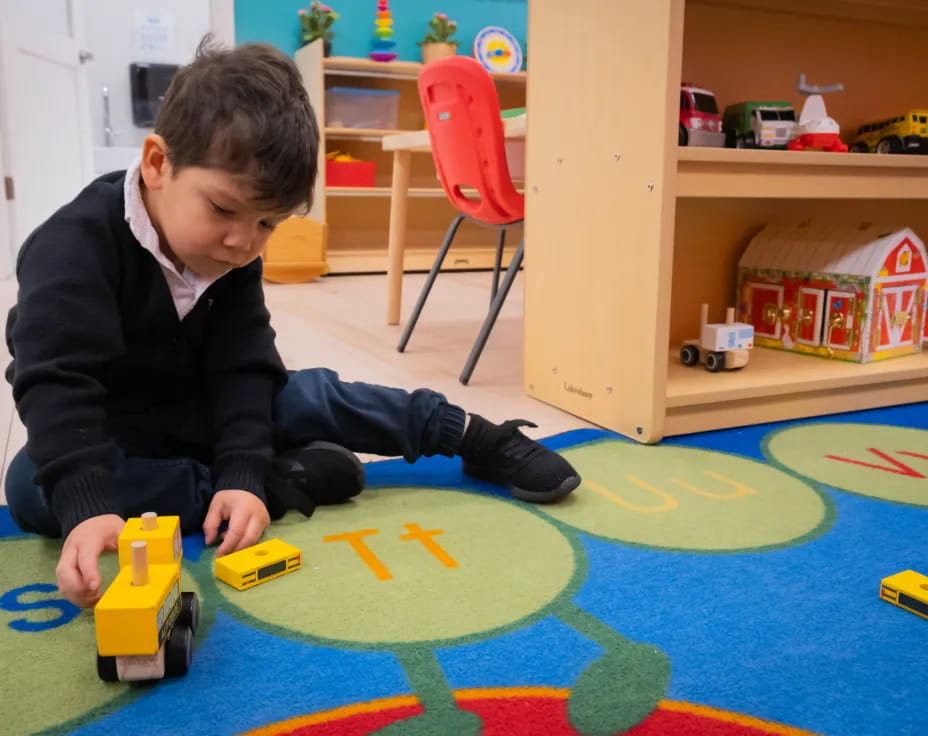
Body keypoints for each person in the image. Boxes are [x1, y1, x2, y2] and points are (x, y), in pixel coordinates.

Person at [3, 39, 581, 609]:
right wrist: (101, 506)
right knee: (34, 485)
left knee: (315, 396)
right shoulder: (71, 244)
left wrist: (241, 465)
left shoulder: (234, 253)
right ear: (158, 163)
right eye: (224, 210)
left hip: (209, 408)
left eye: (268, 225)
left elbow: (243, 368)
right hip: (122, 425)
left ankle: (467, 434)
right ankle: (285, 481)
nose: (242, 242)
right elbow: (57, 382)